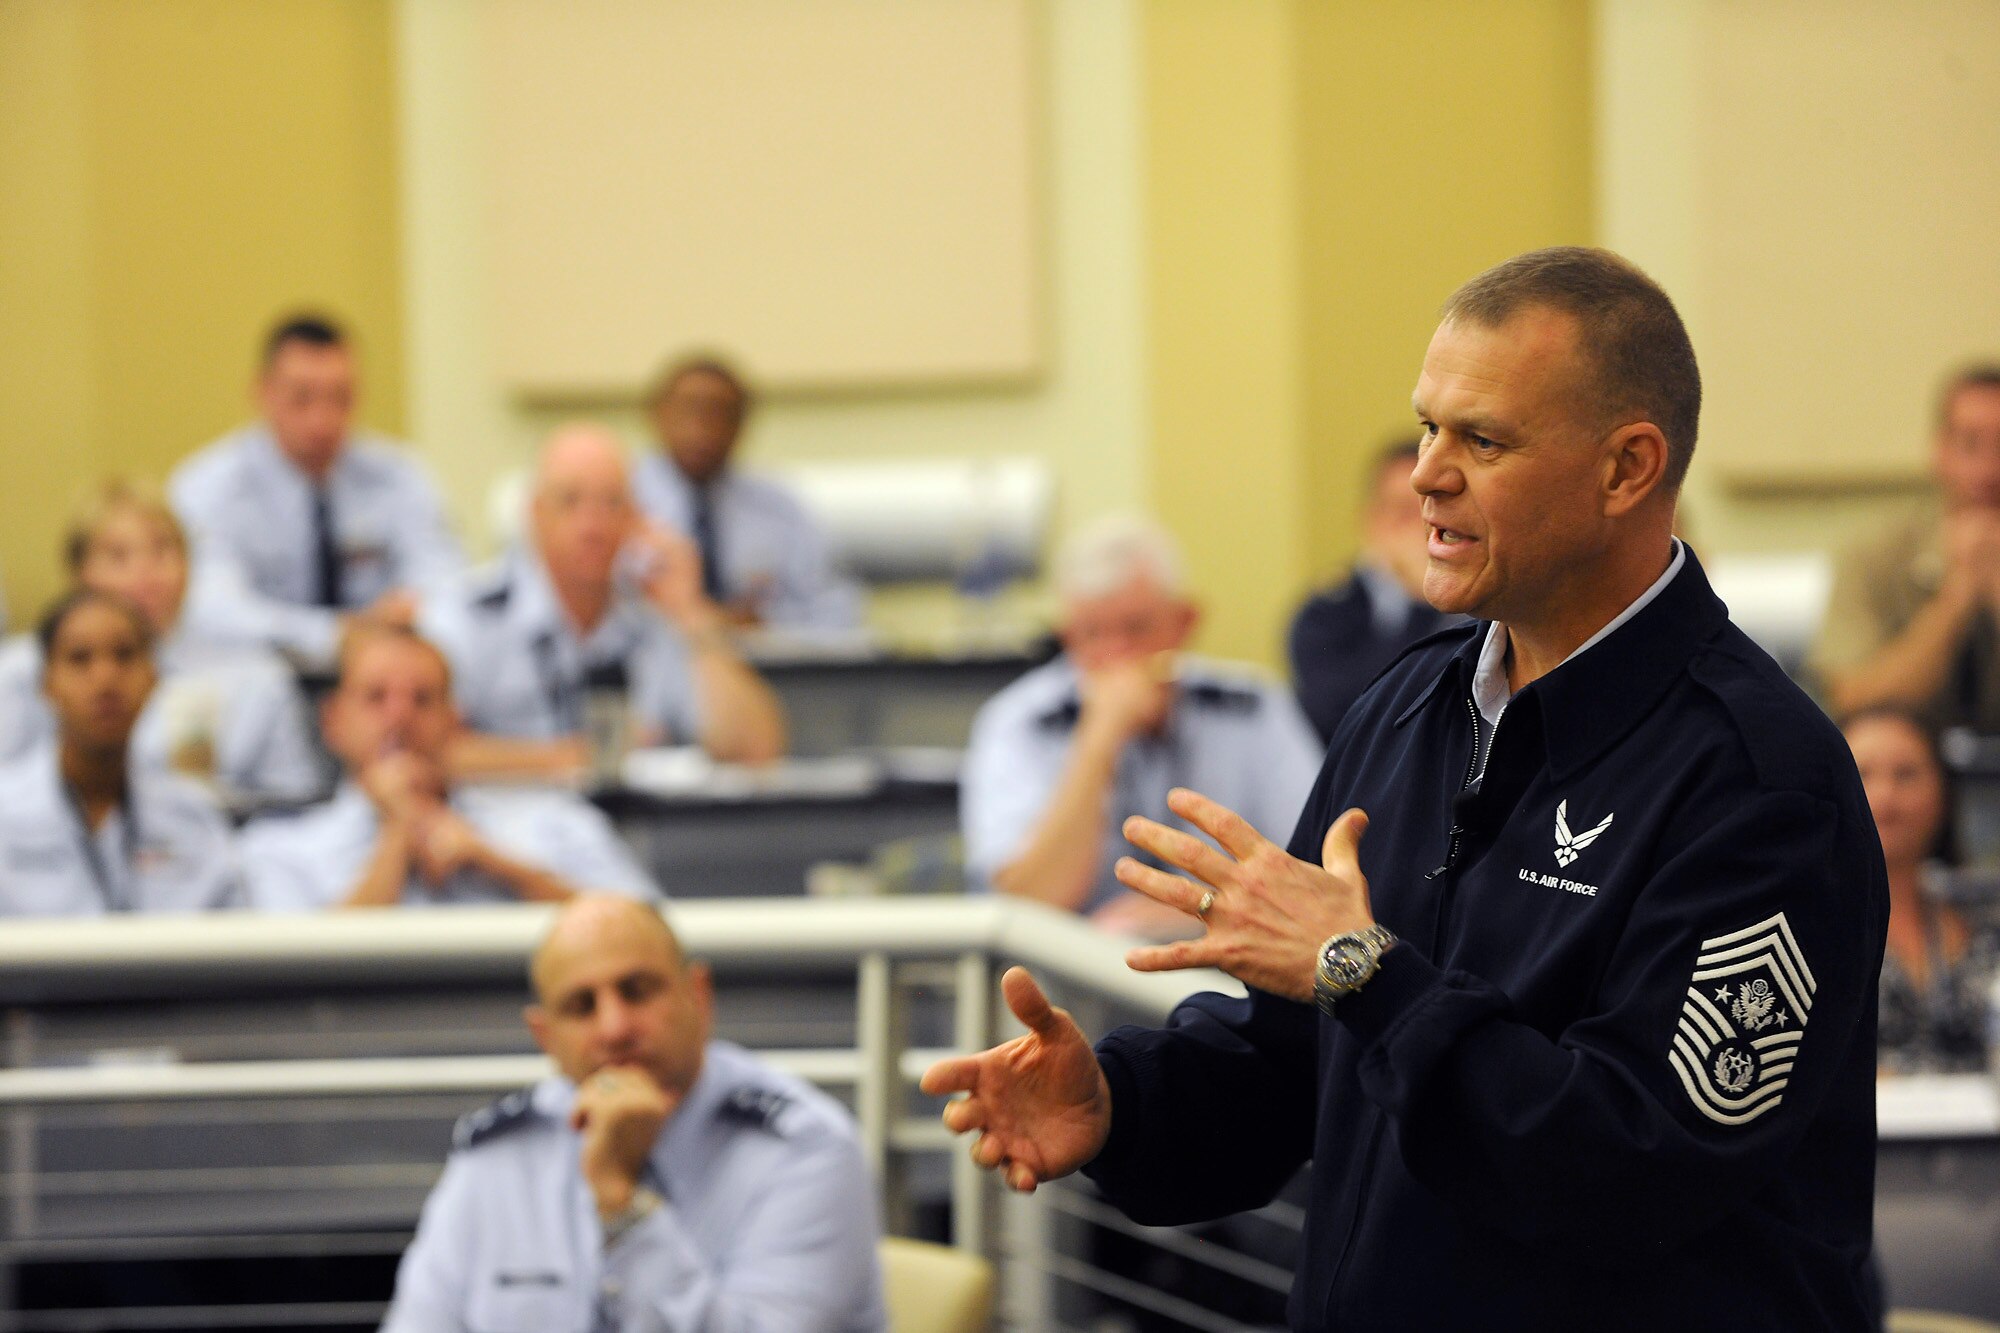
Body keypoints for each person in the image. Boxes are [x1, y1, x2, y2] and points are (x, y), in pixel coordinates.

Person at [925, 248, 1888, 1330]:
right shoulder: (1403, 709)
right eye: (1427, 426)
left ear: (1625, 469)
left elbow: (1627, 1171)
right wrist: (1118, 1103)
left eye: (1481, 439)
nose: (1427, 473)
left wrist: (1360, 970)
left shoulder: (1757, 779)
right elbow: (1297, 1063)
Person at [382, 894, 886, 1331]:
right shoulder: (498, 1159)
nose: (615, 1028)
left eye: (637, 990)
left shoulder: (804, 1151)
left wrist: (622, 1206)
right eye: (581, 1006)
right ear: (546, 1038)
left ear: (698, 995)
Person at [960, 515, 1321, 937]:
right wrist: (1100, 737)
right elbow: (1027, 903)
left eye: (1136, 628)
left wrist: (1197, 915)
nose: (1117, 655)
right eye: (1092, 634)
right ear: (1066, 636)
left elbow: (1310, 877)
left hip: (1239, 972)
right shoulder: (1017, 723)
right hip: (1070, 981)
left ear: (1185, 622)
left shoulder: (1254, 707)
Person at [422, 424, 787, 777]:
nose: (592, 525)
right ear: (534, 514)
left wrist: (691, 613)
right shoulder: (467, 615)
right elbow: (424, 751)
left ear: (636, 519)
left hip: (641, 834)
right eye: (570, 501)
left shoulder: (656, 618)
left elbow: (754, 752)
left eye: (612, 503)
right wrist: (574, 759)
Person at [239, 626, 659, 910]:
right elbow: (300, 981)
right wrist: (399, 834)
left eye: (422, 699)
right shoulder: (279, 851)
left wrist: (499, 865)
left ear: (455, 723)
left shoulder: (556, 826)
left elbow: (648, 936)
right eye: (375, 697)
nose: (399, 717)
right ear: (333, 722)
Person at [0, 484, 323, 803]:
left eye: (162, 551)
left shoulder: (257, 676)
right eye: (118, 556)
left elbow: (295, 806)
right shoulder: (20, 673)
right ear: (79, 574)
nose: (146, 574)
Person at [171, 314, 463, 665]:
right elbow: (211, 610)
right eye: (302, 398)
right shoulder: (208, 488)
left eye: (340, 398)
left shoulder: (400, 476)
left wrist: (409, 612)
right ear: (262, 391)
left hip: (380, 677)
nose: (321, 420)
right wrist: (334, 634)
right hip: (264, 677)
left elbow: (448, 581)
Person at [0, 590, 238, 916]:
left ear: (154, 677)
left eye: (125, 655)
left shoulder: (195, 820)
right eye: (79, 658)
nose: (106, 680)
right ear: (45, 683)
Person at [1812, 364, 2000, 729]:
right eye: (1970, 444)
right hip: (1902, 777)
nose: (1988, 469)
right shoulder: (1873, 554)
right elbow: (1853, 702)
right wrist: (1958, 596)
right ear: (1940, 451)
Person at [632, 355, 864, 631]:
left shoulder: (779, 509)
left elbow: (836, 611)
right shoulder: (620, 500)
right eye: (690, 409)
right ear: (656, 414)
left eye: (720, 413)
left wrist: (766, 624)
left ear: (742, 425)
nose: (703, 427)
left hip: (765, 664)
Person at [1844, 706, 1996, 1073]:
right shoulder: (1797, 922)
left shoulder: (1985, 911)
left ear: (1943, 791)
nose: (1885, 799)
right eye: (1862, 774)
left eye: (1906, 775)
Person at [1288, 440, 1460, 744]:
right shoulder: (1326, 612)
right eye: (1401, 511)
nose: (1414, 527)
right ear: (1371, 519)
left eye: (1426, 507)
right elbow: (1348, 715)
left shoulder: (1470, 603)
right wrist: (1419, 597)